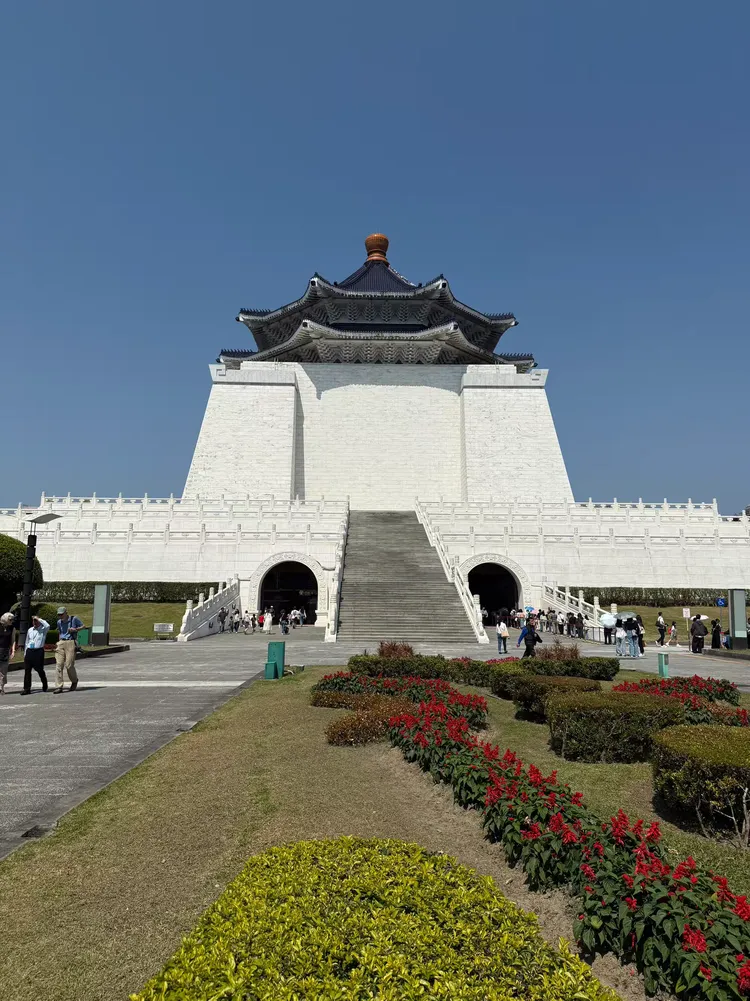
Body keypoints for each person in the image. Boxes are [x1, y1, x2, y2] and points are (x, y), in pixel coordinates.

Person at [54, 606, 83, 693]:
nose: (60, 616)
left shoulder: (74, 619)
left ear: (66, 613)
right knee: (59, 664)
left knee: (69, 665)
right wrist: (58, 642)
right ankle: (59, 686)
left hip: (70, 642)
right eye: (59, 615)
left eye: (61, 614)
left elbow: (83, 626)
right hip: (61, 642)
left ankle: (74, 680)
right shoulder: (59, 622)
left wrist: (75, 629)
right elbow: (60, 632)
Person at [23, 614, 50, 695]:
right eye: (33, 621)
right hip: (30, 651)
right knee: (27, 670)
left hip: (38, 651)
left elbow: (47, 625)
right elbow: (27, 641)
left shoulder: (43, 629)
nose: (34, 622)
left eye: (36, 621)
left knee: (39, 669)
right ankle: (27, 688)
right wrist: (25, 652)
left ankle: (44, 683)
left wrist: (39, 619)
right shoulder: (30, 630)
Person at [0, 611, 17, 695]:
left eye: (12, 620)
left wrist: (13, 651)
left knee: (4, 670)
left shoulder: (12, 628)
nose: (11, 621)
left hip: (5, 651)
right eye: (10, 620)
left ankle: (1, 687)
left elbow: (13, 640)